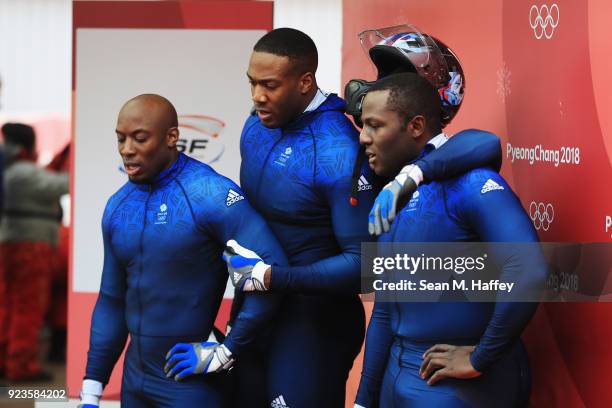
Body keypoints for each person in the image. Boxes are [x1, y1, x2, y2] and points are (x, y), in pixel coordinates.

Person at [215, 28, 505, 408]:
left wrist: (274, 277)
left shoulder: (345, 149)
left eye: (268, 84)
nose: (257, 96)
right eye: (253, 83)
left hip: (317, 325)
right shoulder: (259, 124)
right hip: (258, 309)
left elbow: (368, 266)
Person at [77, 94, 288, 407]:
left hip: (189, 382)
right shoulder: (118, 207)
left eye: (139, 138)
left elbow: (274, 271)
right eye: (121, 139)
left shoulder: (210, 193)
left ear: (172, 137)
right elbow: (112, 301)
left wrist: (229, 350)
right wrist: (91, 391)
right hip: (134, 380)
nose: (127, 149)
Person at [354, 72, 546, 407]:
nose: (363, 138)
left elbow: (527, 270)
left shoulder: (471, 183)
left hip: (456, 382)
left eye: (374, 125)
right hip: (396, 378)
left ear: (414, 126)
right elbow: (385, 309)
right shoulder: (390, 193)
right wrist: (363, 399)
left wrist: (481, 357)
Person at [0, 123, 68, 381]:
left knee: (7, 304)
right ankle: (21, 366)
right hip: (31, 246)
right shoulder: (23, 172)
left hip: (11, 243)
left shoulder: (10, 170)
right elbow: (63, 184)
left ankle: (6, 360)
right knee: (28, 307)